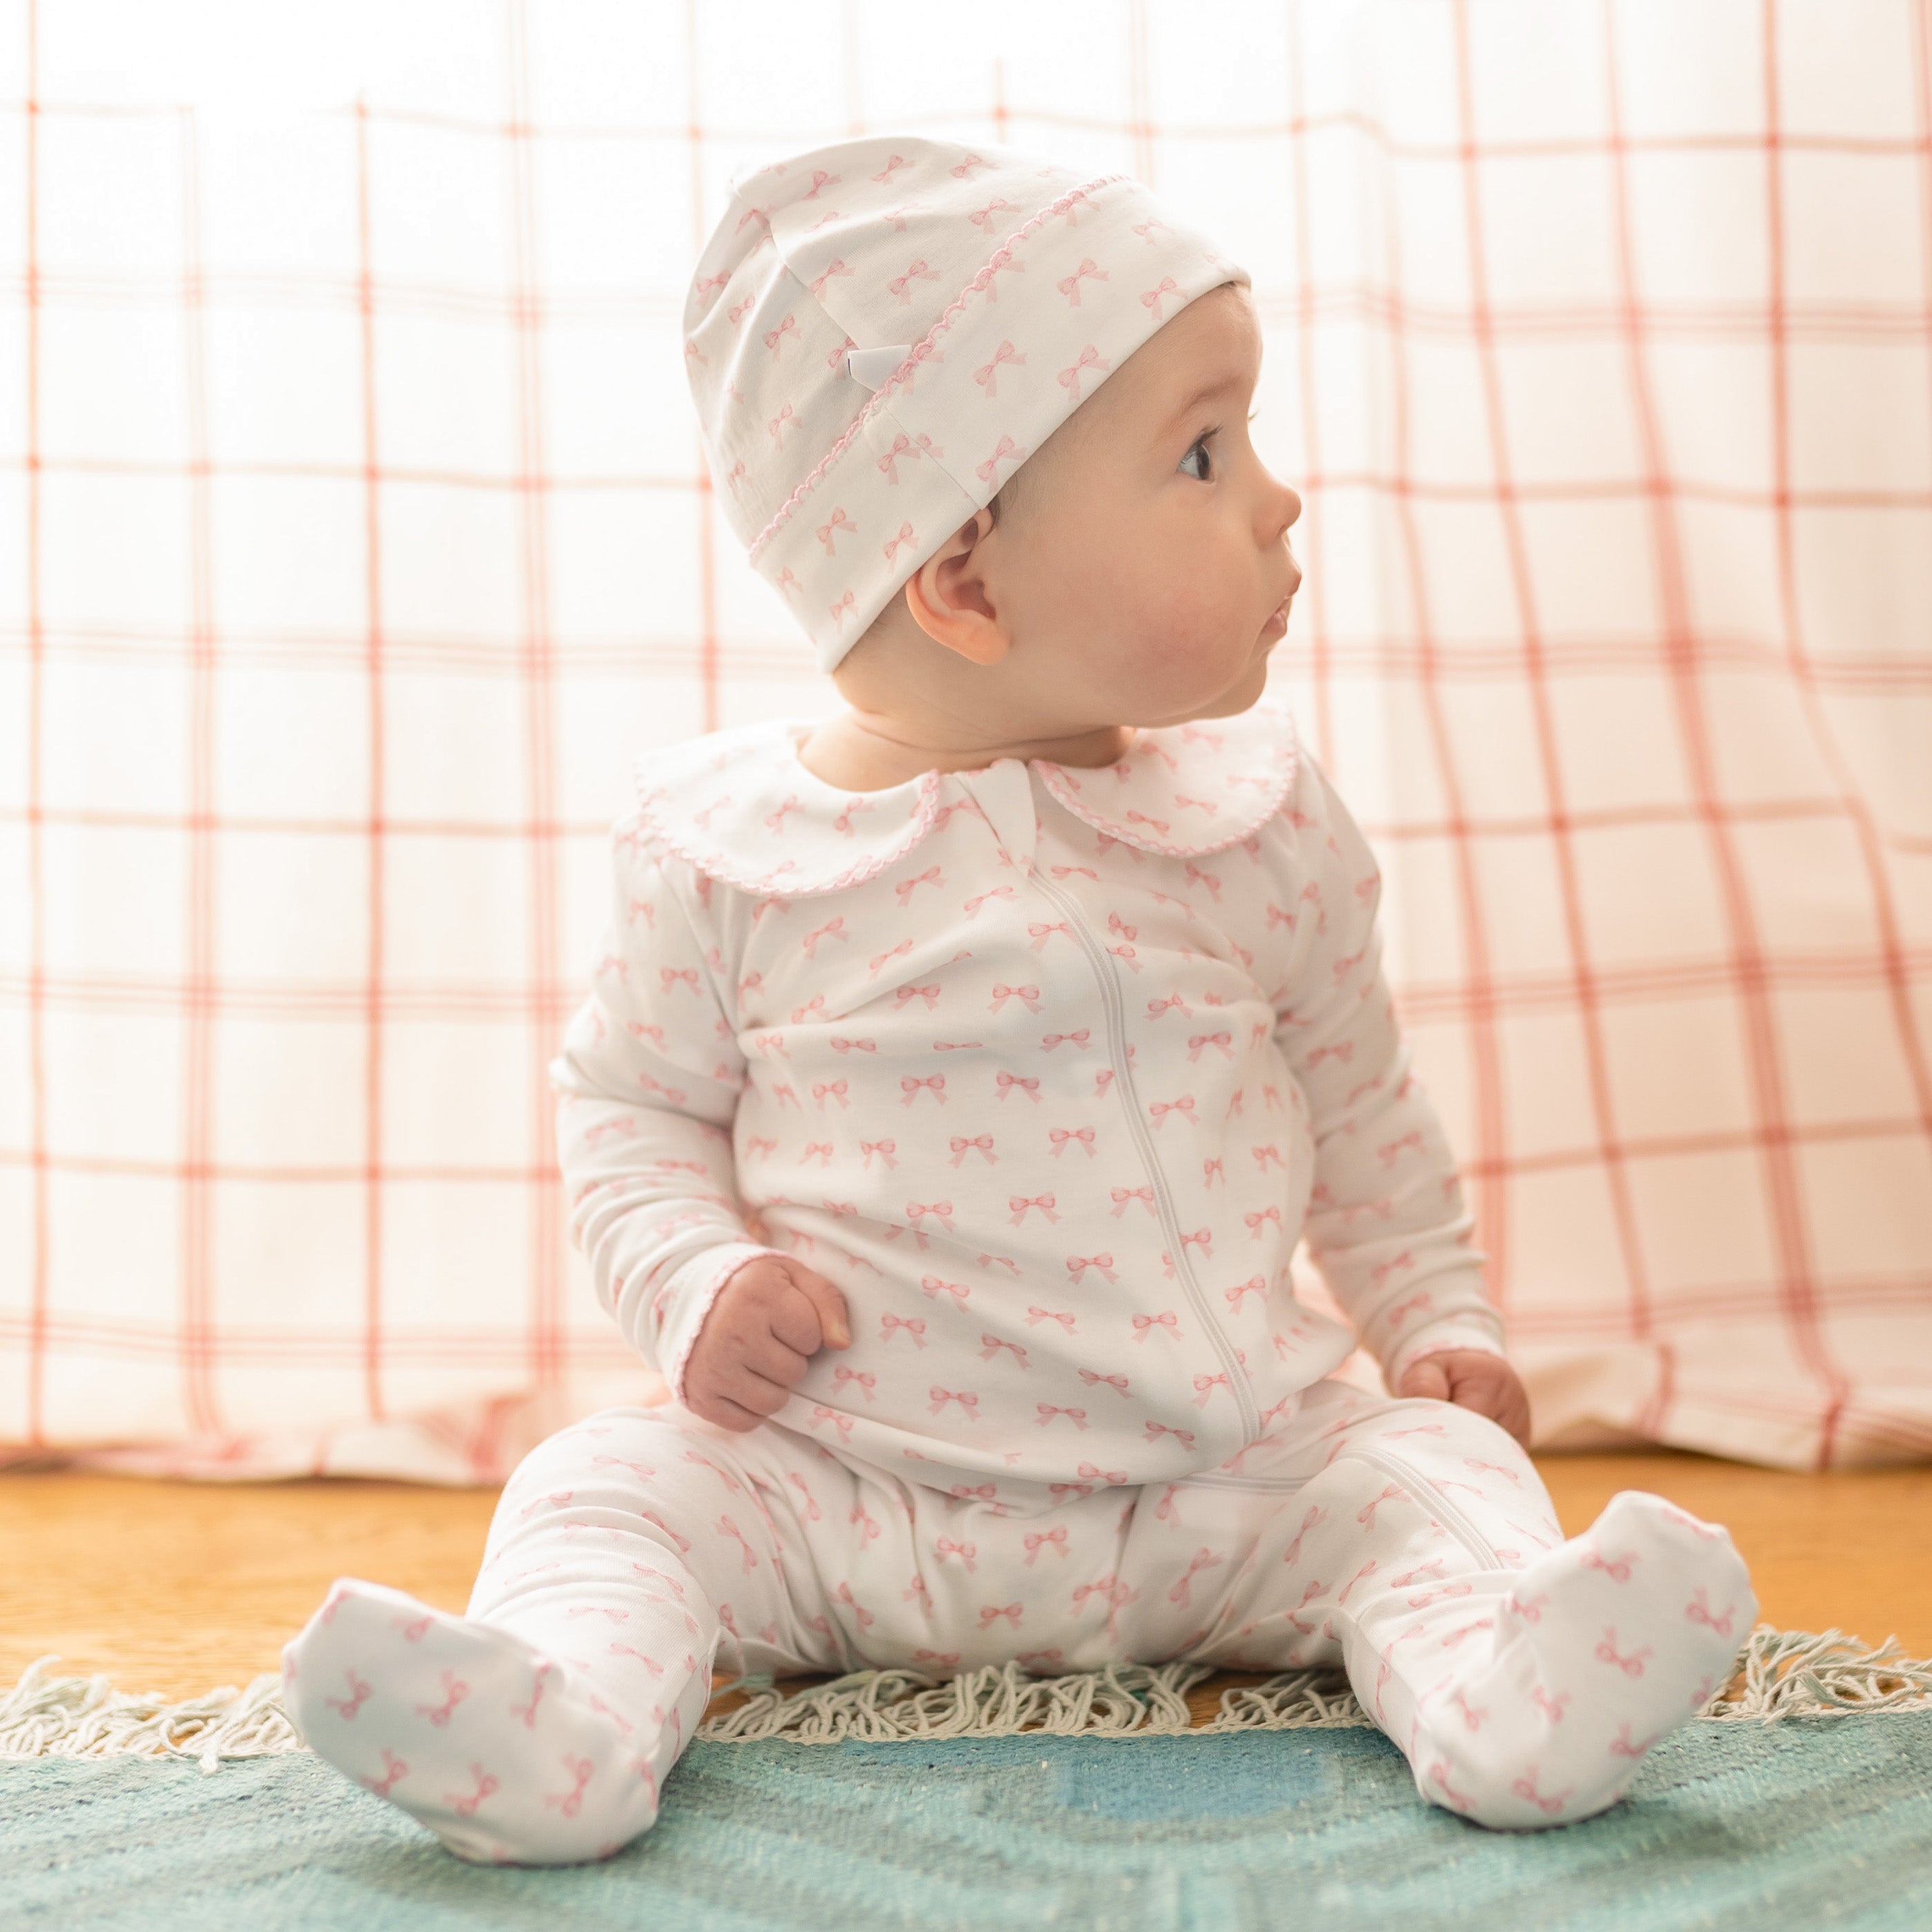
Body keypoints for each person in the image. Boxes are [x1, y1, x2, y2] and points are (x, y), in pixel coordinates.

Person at [283, 134, 1754, 1865]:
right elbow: (627, 1110)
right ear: (964, 581)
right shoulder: (729, 856)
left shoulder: (1255, 824)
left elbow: (1359, 1105)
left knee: (1424, 1477)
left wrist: (1444, 1324)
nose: (1278, 499)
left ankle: (1505, 1689)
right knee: (603, 1489)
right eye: (1203, 455)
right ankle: (566, 1719)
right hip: (842, 1491)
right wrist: (692, 1278)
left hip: (1224, 1481)